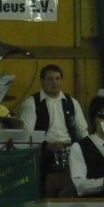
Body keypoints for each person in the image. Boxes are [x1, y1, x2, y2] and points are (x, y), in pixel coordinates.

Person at [18, 64, 88, 196]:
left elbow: (82, 130)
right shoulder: (31, 103)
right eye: (50, 79)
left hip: (71, 149)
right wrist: (48, 145)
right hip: (44, 150)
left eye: (57, 78)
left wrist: (88, 149)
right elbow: (27, 135)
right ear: (42, 81)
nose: (54, 83)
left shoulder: (72, 102)